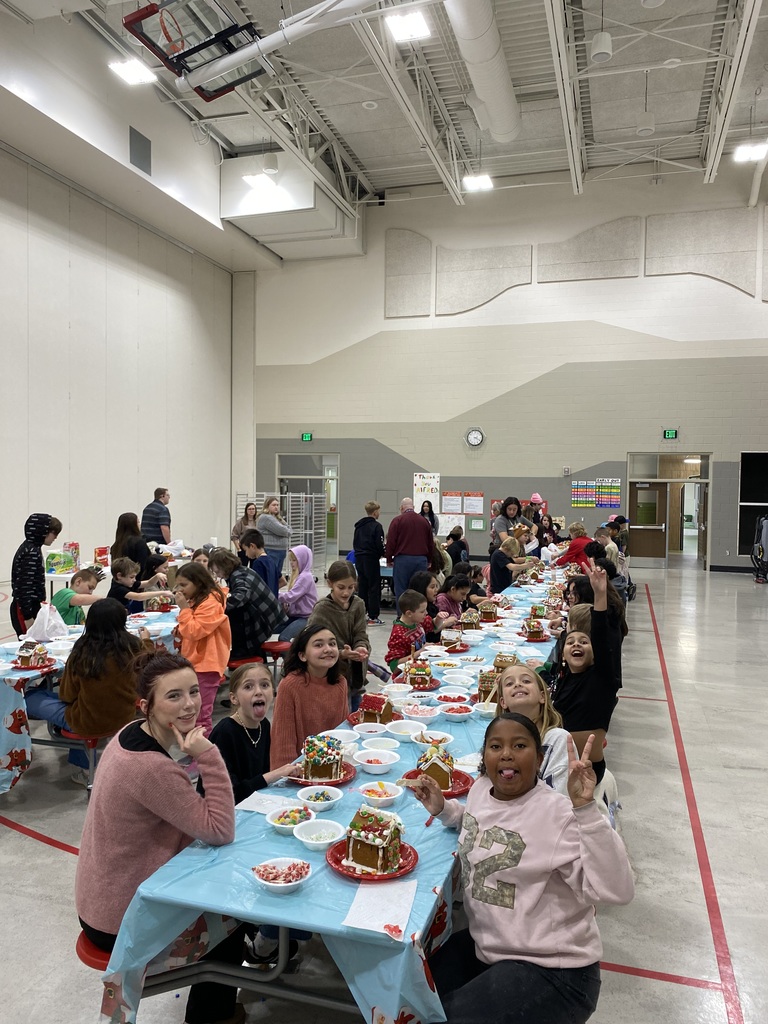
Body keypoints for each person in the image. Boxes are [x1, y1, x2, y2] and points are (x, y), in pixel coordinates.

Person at [411, 714, 633, 1024]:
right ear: (484, 756)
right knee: (413, 992)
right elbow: (484, 828)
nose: (506, 753)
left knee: (446, 1017)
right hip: (490, 947)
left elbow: (617, 889)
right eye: (495, 745)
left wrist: (585, 810)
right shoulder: (480, 790)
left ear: (540, 758)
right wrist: (445, 810)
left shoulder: (558, 814)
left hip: (555, 971)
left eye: (519, 745)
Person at [74, 651, 246, 1024]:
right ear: (146, 705)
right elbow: (220, 830)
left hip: (98, 900)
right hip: (119, 922)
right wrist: (210, 755)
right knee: (235, 920)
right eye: (174, 696)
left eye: (193, 692)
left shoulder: (127, 734)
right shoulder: (151, 768)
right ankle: (211, 1017)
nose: (189, 705)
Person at [551, 561, 622, 783]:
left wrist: (600, 595)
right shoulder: (565, 677)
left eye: (584, 641)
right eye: (570, 641)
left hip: (585, 769)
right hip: (557, 759)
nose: (576, 645)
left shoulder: (601, 678)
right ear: (562, 652)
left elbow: (600, 636)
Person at [58, 598, 154, 742]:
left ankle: (78, 752)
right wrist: (146, 640)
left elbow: (66, 695)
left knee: (34, 697)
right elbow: (150, 664)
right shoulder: (132, 646)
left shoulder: (82, 651)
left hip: (87, 723)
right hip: (125, 718)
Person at [205, 663, 297, 802]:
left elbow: (261, 778)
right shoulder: (225, 732)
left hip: (253, 803)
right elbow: (231, 794)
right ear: (234, 698)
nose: (258, 691)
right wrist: (277, 773)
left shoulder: (264, 726)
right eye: (248, 687)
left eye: (265, 685)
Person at [269, 625, 349, 768]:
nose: (328, 649)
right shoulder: (290, 686)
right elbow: (283, 741)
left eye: (332, 643)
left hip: (333, 766)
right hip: (300, 769)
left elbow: (342, 732)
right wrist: (286, 776)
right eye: (318, 645)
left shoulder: (340, 682)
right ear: (302, 655)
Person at [174, 562, 232, 735]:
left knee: (200, 715)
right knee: (194, 713)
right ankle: (196, 753)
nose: (180, 589)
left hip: (206, 664)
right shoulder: (200, 599)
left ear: (198, 583)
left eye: (184, 585)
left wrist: (184, 610)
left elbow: (194, 631)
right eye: (178, 584)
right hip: (197, 662)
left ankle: (204, 757)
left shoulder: (211, 603)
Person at [495, 664, 571, 794]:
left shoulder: (557, 739)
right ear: (503, 702)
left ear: (542, 696)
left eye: (526, 681)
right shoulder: (497, 742)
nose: (518, 684)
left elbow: (557, 799)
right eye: (509, 683)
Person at [307, 561, 370, 707]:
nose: (346, 593)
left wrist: (361, 647)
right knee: (338, 718)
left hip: (355, 673)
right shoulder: (322, 609)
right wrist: (341, 654)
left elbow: (361, 633)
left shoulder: (358, 604)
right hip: (331, 675)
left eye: (351, 587)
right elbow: (312, 645)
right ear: (330, 584)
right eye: (341, 587)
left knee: (355, 713)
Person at [207, 548, 283, 664]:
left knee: (233, 615)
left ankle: (243, 652)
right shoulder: (241, 571)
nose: (218, 576)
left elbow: (241, 596)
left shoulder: (239, 576)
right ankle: (249, 655)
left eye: (217, 572)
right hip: (267, 615)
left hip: (262, 619)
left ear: (224, 566)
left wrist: (218, 607)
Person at [10, 513, 62, 636]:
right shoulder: (31, 552)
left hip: (30, 605)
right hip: (25, 608)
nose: (55, 537)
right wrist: (28, 617)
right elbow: (24, 587)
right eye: (54, 533)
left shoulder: (32, 548)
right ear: (43, 532)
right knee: (30, 646)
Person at [386, 498, 434, 607]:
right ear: (413, 507)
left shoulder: (397, 520)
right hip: (421, 560)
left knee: (401, 590)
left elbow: (391, 542)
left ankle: (402, 618)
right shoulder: (424, 521)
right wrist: (429, 560)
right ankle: (420, 616)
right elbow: (430, 543)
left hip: (402, 560)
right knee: (420, 590)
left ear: (402, 508)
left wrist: (389, 559)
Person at [353, 500, 385, 625]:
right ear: (375, 512)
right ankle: (373, 615)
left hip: (359, 557)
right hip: (371, 558)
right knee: (374, 587)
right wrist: (381, 554)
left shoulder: (358, 526)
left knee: (363, 586)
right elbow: (379, 544)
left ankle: (362, 613)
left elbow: (355, 542)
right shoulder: (377, 526)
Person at [385, 589, 433, 673]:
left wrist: (440, 618)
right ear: (409, 613)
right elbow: (394, 666)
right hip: (407, 675)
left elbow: (433, 626)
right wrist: (420, 652)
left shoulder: (416, 622)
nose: (426, 613)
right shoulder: (399, 634)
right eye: (422, 611)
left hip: (421, 669)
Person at [278, 545, 318, 642]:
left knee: (283, 638)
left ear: (303, 560)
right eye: (291, 560)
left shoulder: (305, 577)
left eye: (294, 560)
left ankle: (292, 657)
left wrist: (274, 594)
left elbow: (291, 596)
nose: (291, 563)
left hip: (305, 618)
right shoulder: (298, 576)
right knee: (269, 629)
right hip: (295, 616)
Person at [107, 556, 173, 609]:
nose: (134, 580)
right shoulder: (117, 588)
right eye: (131, 577)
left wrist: (157, 576)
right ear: (119, 576)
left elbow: (149, 583)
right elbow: (139, 597)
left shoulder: (126, 582)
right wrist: (162, 593)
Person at [408, 571, 452, 642]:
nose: (436, 590)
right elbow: (430, 633)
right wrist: (446, 623)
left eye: (436, 586)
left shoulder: (432, 606)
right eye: (432, 587)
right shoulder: (415, 612)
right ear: (422, 588)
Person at [256, 496, 292, 575]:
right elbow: (283, 530)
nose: (276, 507)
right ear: (267, 506)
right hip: (272, 550)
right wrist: (287, 531)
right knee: (271, 575)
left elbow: (289, 529)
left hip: (279, 550)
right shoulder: (266, 518)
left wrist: (287, 530)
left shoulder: (277, 518)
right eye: (273, 505)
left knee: (277, 575)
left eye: (277, 505)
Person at [240, 528, 280, 596]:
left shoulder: (258, 563)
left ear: (252, 546)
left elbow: (256, 588)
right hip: (274, 602)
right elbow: (283, 581)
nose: (246, 554)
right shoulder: (271, 561)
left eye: (246, 550)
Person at [110, 512, 151, 576]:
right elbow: (143, 565)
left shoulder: (116, 545)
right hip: (136, 580)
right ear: (133, 525)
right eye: (138, 522)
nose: (140, 525)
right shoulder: (139, 542)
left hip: (120, 580)